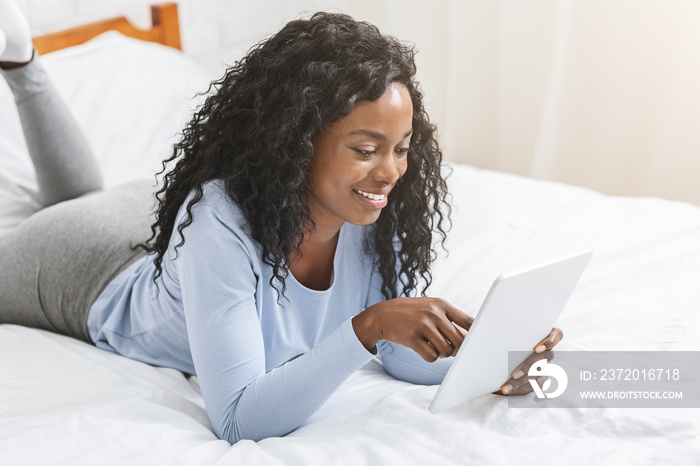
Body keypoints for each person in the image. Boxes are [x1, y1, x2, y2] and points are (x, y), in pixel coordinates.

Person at [0, 1, 562, 444]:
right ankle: (23, 65)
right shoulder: (218, 218)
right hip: (82, 268)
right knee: (66, 208)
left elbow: (394, 355)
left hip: (142, 226)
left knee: (80, 195)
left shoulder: (370, 203)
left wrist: (491, 360)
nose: (391, 171)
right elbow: (239, 420)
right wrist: (366, 326)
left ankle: (20, 59)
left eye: (402, 148)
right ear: (295, 142)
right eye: (367, 149)